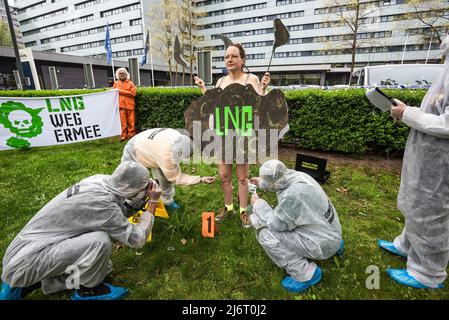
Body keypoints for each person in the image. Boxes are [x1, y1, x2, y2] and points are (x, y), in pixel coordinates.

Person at [0, 162, 161, 300]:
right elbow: (138, 239)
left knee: (103, 266)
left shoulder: (101, 181)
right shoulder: (101, 203)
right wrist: (152, 202)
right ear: (129, 188)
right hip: (25, 262)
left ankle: (42, 282)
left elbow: (115, 216)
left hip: (27, 250)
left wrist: (138, 197)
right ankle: (87, 292)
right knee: (100, 242)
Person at [377, 36, 449, 289]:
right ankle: (406, 245)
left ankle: (427, 273)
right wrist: (409, 111)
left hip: (440, 162)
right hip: (429, 154)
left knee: (431, 212)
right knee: (417, 203)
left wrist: (406, 113)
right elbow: (437, 109)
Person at [194, 43, 271, 226]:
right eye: (227, 56)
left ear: (242, 60)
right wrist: (203, 88)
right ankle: (228, 206)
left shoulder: (250, 79)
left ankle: (244, 210)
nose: (229, 59)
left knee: (242, 177)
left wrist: (264, 88)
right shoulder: (221, 81)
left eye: (234, 56)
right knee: (224, 176)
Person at [248, 160, 343, 293]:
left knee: (265, 233)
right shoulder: (299, 176)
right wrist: (262, 182)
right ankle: (337, 246)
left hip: (322, 244)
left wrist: (258, 204)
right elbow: (278, 183)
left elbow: (275, 223)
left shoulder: (292, 196)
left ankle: (306, 273)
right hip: (331, 231)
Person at [121, 128, 216, 211]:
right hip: (134, 147)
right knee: (128, 178)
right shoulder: (167, 156)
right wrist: (201, 179)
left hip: (151, 145)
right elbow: (177, 178)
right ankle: (122, 202)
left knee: (163, 177)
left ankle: (167, 202)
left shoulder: (177, 136)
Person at [113, 67, 137, 141]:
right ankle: (123, 135)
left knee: (131, 121)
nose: (122, 75)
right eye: (120, 73)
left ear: (126, 74)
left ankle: (131, 134)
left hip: (130, 105)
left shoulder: (131, 83)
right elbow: (113, 93)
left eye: (123, 73)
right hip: (121, 105)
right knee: (122, 122)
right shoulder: (115, 83)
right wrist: (125, 92)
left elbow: (133, 93)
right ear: (118, 75)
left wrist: (119, 91)